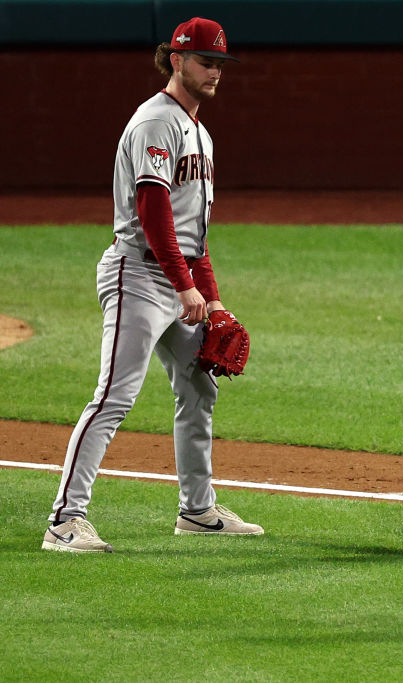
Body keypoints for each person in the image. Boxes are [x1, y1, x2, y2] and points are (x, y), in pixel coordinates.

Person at [42, 17, 262, 553]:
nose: (215, 72)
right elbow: (154, 209)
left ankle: (197, 509)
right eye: (207, 61)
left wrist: (210, 297)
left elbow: (195, 234)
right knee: (115, 395)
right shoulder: (154, 123)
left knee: (199, 387)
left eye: (220, 64)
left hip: (177, 279)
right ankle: (64, 521)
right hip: (138, 275)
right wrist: (184, 285)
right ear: (177, 59)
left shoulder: (201, 134)